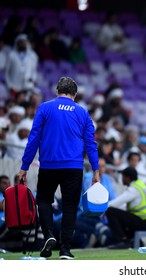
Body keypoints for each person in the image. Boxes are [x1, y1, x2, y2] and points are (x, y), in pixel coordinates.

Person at [17, 77, 100, 260]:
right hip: (73, 167)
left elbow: (33, 139)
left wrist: (24, 167)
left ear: (57, 91)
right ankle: (65, 250)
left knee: (44, 200)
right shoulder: (83, 113)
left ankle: (48, 235)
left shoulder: (45, 108)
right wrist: (96, 170)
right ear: (75, 95)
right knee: (70, 207)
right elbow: (90, 144)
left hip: (49, 164)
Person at [105, 167, 146, 249]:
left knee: (110, 211)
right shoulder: (141, 185)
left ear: (127, 178)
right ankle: (135, 242)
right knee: (121, 216)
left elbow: (116, 202)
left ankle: (122, 241)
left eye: (122, 177)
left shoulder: (134, 189)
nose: (122, 179)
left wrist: (101, 208)